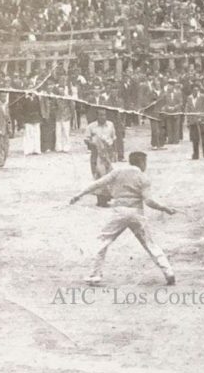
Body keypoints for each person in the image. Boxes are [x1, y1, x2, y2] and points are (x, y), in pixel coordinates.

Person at [69, 151, 177, 286]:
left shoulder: (118, 172)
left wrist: (79, 195)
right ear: (142, 163)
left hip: (119, 212)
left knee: (102, 241)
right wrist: (165, 208)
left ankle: (95, 274)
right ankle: (169, 272)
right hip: (136, 213)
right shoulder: (143, 178)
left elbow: (97, 184)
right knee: (150, 244)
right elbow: (149, 201)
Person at [84, 109, 116, 207]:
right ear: (97, 116)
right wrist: (94, 143)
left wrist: (113, 151)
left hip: (107, 154)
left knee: (108, 175)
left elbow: (114, 138)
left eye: (104, 115)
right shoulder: (91, 127)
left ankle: (106, 198)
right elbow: (86, 139)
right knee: (98, 175)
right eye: (101, 115)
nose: (103, 117)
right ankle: (100, 200)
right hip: (96, 154)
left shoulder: (110, 125)